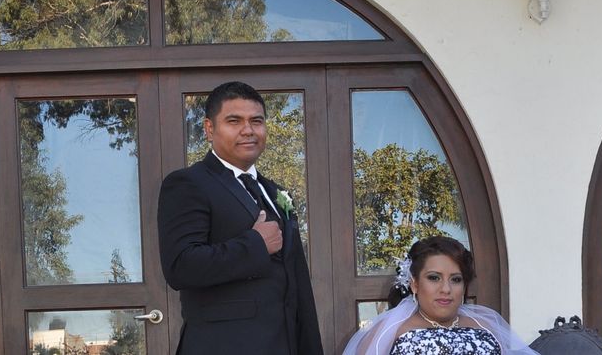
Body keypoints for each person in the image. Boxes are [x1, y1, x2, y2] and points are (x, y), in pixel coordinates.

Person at [157, 81, 323, 354]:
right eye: (234, 121)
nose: (248, 130)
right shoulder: (188, 183)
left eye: (256, 121)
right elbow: (180, 266)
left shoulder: (276, 192)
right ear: (209, 129)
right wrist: (255, 244)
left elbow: (298, 287)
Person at [343, 236, 538, 355]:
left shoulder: (485, 326)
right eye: (434, 278)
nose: (446, 289)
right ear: (415, 284)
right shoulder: (388, 332)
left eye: (455, 279)